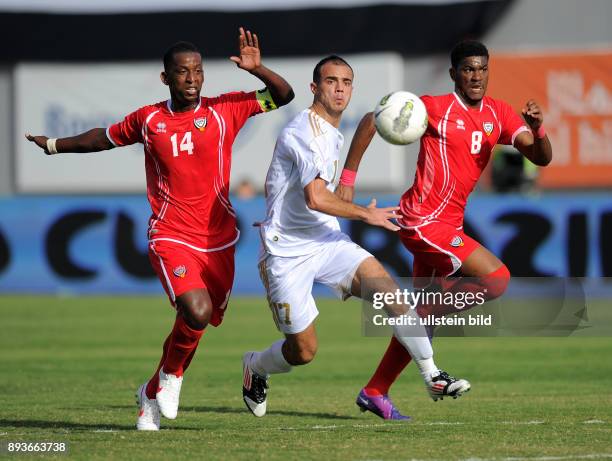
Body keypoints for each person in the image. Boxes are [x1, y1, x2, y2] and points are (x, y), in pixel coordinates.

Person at [26, 28, 295, 431]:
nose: (191, 79)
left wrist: (259, 70)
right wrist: (53, 145)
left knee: (197, 321)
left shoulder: (225, 110)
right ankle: (171, 379)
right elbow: (103, 138)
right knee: (196, 309)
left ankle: (150, 393)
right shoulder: (149, 120)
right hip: (170, 234)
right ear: (165, 77)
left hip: (218, 239)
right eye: (182, 72)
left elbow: (284, 96)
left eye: (197, 71)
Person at [241, 55, 470, 420]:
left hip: (327, 240)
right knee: (303, 351)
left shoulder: (333, 125)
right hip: (286, 252)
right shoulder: (303, 132)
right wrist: (366, 213)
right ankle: (257, 366)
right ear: (314, 88)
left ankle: (432, 376)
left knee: (393, 294)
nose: (340, 88)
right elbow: (315, 197)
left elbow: (370, 120)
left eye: (346, 82)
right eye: (331, 81)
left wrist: (348, 177)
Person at [335, 40, 553, 419]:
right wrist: (349, 178)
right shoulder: (435, 107)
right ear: (454, 74)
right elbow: (373, 118)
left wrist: (538, 129)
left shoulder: (498, 114)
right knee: (498, 279)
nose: (476, 76)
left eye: (482, 69)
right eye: (468, 69)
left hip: (446, 224)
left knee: (425, 320)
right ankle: (419, 321)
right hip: (422, 221)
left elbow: (540, 157)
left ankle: (374, 390)